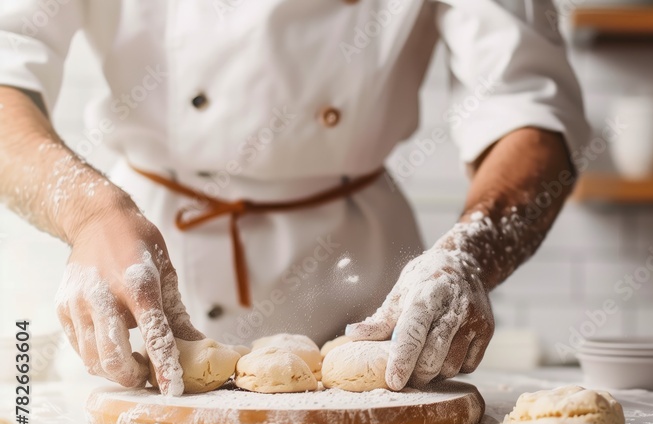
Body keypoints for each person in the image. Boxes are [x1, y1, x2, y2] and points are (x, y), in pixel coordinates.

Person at [0, 1, 587, 395]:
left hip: (367, 292)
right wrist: (90, 212)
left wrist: (468, 257)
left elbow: (527, 110)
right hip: (138, 258)